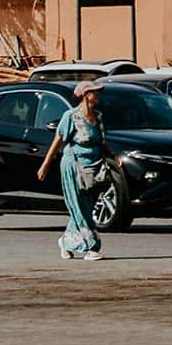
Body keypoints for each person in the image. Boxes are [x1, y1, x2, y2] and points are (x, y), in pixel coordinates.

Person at [38, 81, 110, 260]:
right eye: (94, 93)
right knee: (78, 206)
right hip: (73, 166)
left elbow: (102, 142)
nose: (97, 96)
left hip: (93, 168)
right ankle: (90, 247)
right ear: (86, 95)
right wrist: (46, 164)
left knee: (86, 207)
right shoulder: (71, 116)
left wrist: (113, 156)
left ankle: (65, 242)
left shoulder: (98, 117)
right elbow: (58, 140)